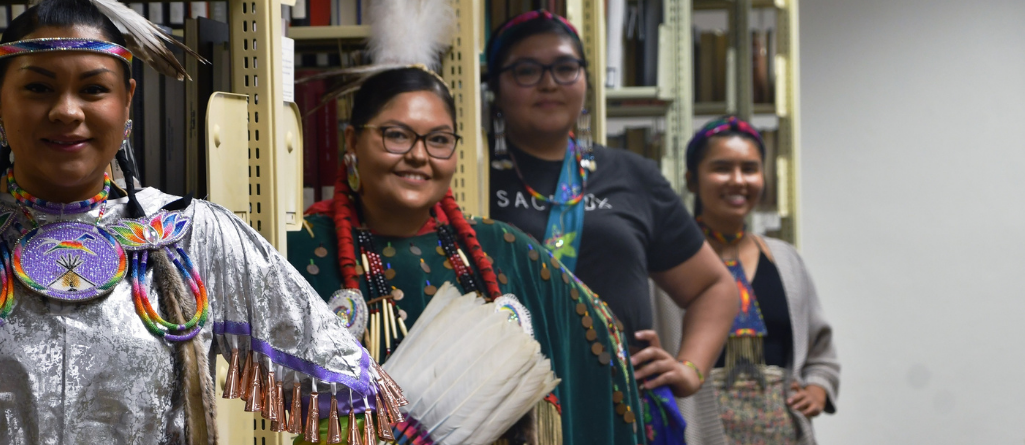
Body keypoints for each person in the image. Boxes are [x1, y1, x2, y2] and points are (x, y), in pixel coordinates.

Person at [0, 1, 400, 443]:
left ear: (127, 101)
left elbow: (350, 393)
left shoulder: (191, 233)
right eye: (38, 88)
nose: (67, 111)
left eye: (94, 89)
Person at [287, 66, 645, 444]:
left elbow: (596, 335)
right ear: (351, 142)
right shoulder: (300, 251)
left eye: (439, 140)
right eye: (396, 136)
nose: (418, 155)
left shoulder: (501, 250)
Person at [484, 10, 737, 411]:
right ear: (494, 85)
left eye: (566, 68)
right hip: (506, 409)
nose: (549, 83)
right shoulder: (471, 177)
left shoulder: (633, 175)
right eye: (526, 70)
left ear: (585, 79)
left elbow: (715, 288)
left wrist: (690, 368)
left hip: (621, 405)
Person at [658, 115, 840, 445]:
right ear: (691, 179)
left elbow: (821, 353)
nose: (738, 180)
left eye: (750, 169)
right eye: (722, 168)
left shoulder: (785, 259)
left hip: (781, 433)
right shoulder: (667, 261)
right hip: (698, 429)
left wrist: (818, 387)